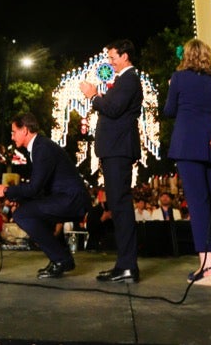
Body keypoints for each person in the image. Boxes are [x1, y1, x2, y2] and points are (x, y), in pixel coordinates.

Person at [164, 37, 211, 286]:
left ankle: (206, 267)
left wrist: (172, 87)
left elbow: (169, 110)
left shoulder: (179, 78)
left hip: (188, 145)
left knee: (198, 206)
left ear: (186, 56)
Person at [0, 113, 88, 279]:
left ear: (25, 130)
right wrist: (21, 199)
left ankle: (60, 259)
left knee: (22, 215)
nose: (12, 136)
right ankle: (63, 258)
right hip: (65, 198)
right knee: (29, 213)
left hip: (71, 199)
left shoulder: (41, 148)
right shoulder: (39, 146)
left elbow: (35, 187)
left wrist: (7, 191)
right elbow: (40, 188)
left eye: (14, 131)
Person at [80, 39, 143, 284]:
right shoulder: (123, 80)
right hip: (114, 149)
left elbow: (114, 108)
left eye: (113, 56)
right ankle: (123, 265)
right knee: (117, 206)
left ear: (125, 56)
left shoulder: (129, 79)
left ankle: (128, 266)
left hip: (119, 150)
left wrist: (94, 95)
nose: (110, 61)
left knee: (120, 206)